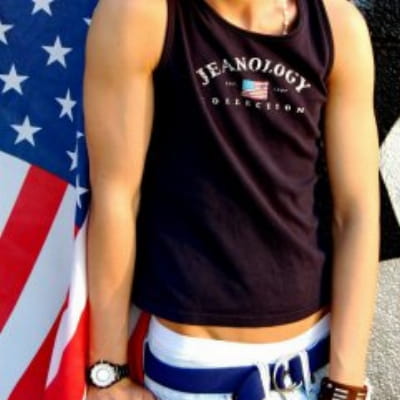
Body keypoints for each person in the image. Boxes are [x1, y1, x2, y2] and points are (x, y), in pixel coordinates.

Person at [82, 0, 380, 399]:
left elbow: (357, 211)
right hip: (198, 372)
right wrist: (108, 373)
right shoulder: (142, 13)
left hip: (318, 362)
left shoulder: (338, 26)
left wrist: (346, 383)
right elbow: (116, 195)